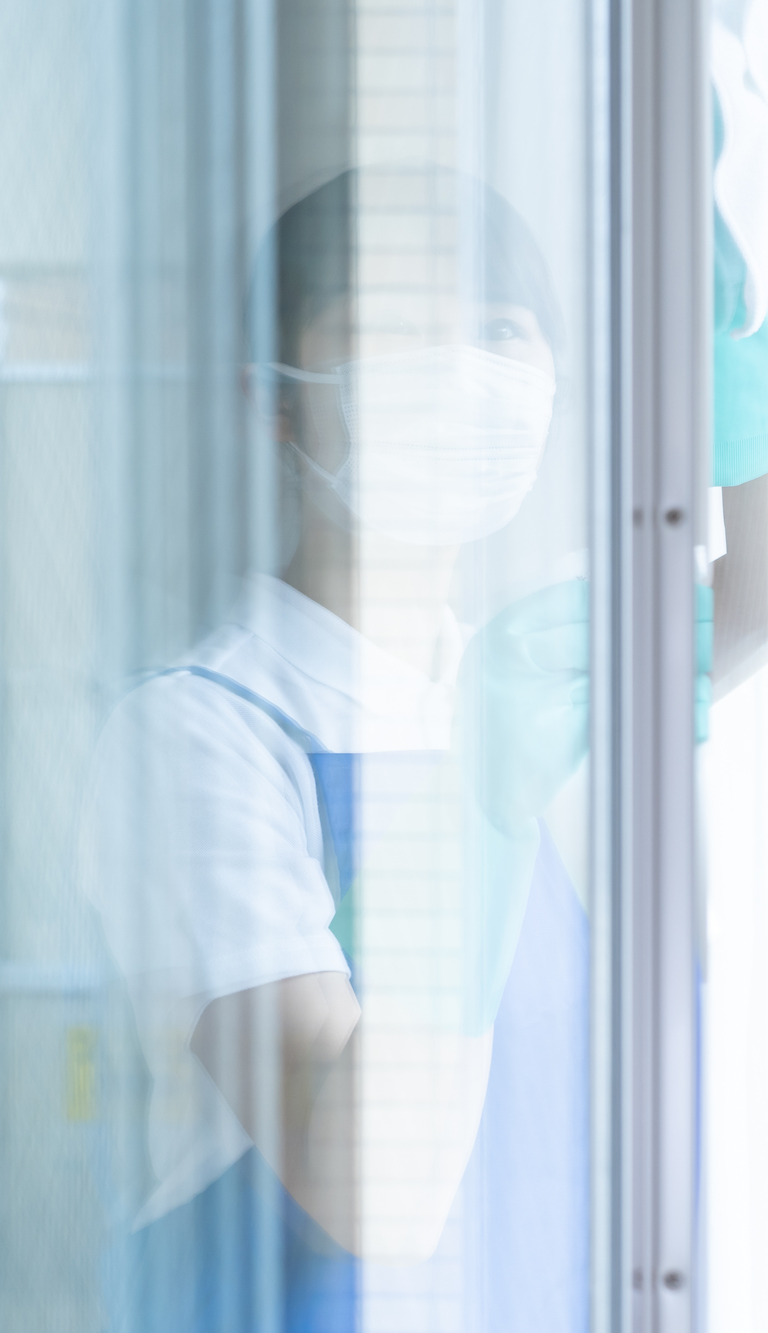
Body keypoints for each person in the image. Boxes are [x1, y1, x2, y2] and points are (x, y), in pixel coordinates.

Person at [78, 167, 590, 1333]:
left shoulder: (531, 698)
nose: (459, 375)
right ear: (277, 400)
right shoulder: (195, 733)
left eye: (498, 330)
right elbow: (376, 1195)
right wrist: (480, 812)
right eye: (392, 330)